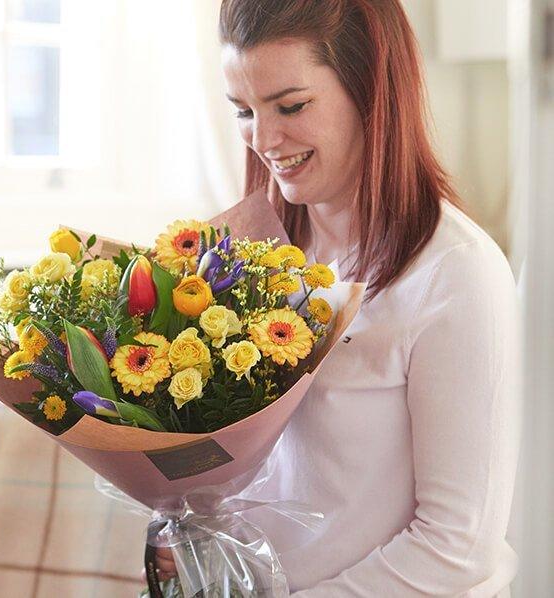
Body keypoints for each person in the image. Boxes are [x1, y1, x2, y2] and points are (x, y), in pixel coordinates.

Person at [155, 0, 520, 595]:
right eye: (244, 111)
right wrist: (195, 536)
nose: (264, 140)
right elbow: (266, 480)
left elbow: (457, 548)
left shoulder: (457, 276)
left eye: (291, 106)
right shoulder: (249, 259)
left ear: (371, 90)